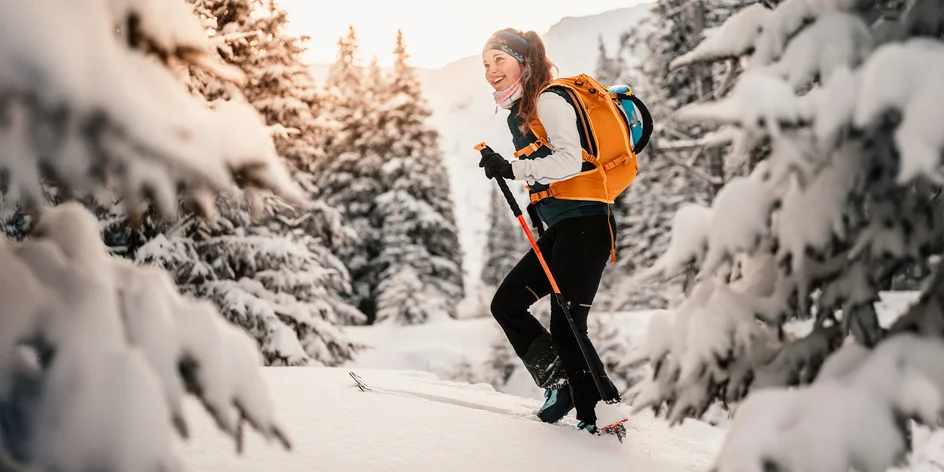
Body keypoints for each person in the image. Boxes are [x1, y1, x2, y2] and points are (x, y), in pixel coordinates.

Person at [478, 28, 622, 434]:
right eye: (486, 64)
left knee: (568, 324)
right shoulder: (520, 113)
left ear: (523, 63)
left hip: (587, 224)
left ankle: (601, 418)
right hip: (561, 227)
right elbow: (547, 169)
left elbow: (569, 161)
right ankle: (560, 385)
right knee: (506, 304)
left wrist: (514, 168)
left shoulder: (549, 98)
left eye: (499, 60)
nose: (491, 71)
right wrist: (527, 186)